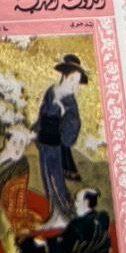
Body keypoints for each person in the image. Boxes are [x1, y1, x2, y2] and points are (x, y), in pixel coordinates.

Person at [34, 55, 87, 229]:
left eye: (77, 82)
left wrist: (64, 115)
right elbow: (43, 114)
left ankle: (65, 214)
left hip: (56, 145)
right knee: (47, 178)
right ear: (64, 75)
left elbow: (74, 122)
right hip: (44, 142)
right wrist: (35, 130)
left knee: (56, 179)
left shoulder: (70, 100)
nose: (74, 85)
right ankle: (54, 214)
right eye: (72, 80)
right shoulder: (52, 91)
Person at [24, 187, 111, 253]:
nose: (75, 204)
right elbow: (105, 251)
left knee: (29, 243)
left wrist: (45, 242)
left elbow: (62, 249)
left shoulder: (78, 224)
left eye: (77, 201)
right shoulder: (100, 220)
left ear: (86, 202)